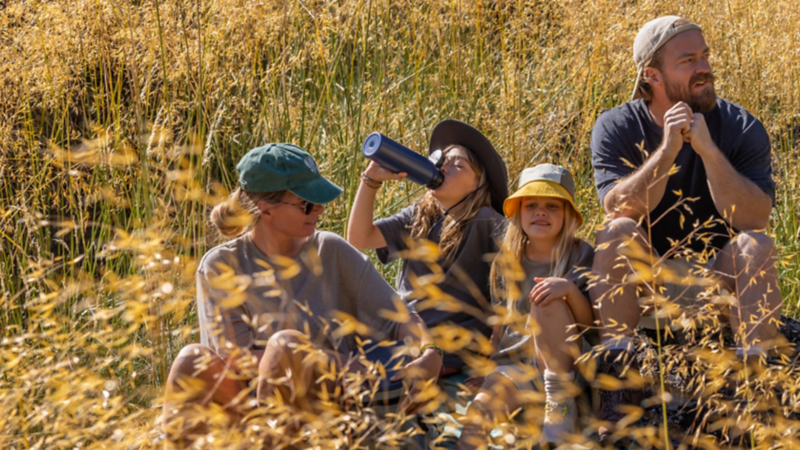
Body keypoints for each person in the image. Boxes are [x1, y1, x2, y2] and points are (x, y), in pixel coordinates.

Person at [162, 143, 443, 446]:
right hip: (247, 413)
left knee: (286, 346)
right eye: (306, 203)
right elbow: (235, 358)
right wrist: (334, 360)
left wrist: (430, 352)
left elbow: (402, 318)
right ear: (264, 208)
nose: (319, 209)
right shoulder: (221, 265)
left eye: (319, 199)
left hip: (323, 411)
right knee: (190, 359)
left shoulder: (331, 250)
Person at [590, 15, 783, 442]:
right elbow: (617, 206)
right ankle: (618, 390)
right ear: (652, 75)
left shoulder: (739, 125)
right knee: (616, 232)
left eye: (705, 56)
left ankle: (753, 394)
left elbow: (755, 218)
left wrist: (709, 151)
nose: (704, 68)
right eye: (688, 60)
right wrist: (667, 149)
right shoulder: (616, 126)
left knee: (756, 245)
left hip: (716, 281)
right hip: (648, 284)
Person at [347, 119, 508, 437]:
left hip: (450, 348)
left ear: (479, 184)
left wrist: (493, 355)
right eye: (441, 159)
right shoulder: (419, 215)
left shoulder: (488, 221)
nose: (443, 165)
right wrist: (371, 180)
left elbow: (508, 293)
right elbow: (358, 238)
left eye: (457, 163)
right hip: (404, 334)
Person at [456, 164, 594, 449]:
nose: (540, 212)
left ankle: (559, 404)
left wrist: (567, 289)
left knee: (545, 298)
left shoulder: (580, 254)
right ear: (518, 213)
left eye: (552, 206)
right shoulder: (506, 262)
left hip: (565, 362)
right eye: (531, 204)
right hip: (515, 364)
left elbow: (589, 324)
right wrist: (488, 368)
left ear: (568, 214)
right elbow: (500, 322)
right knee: (477, 416)